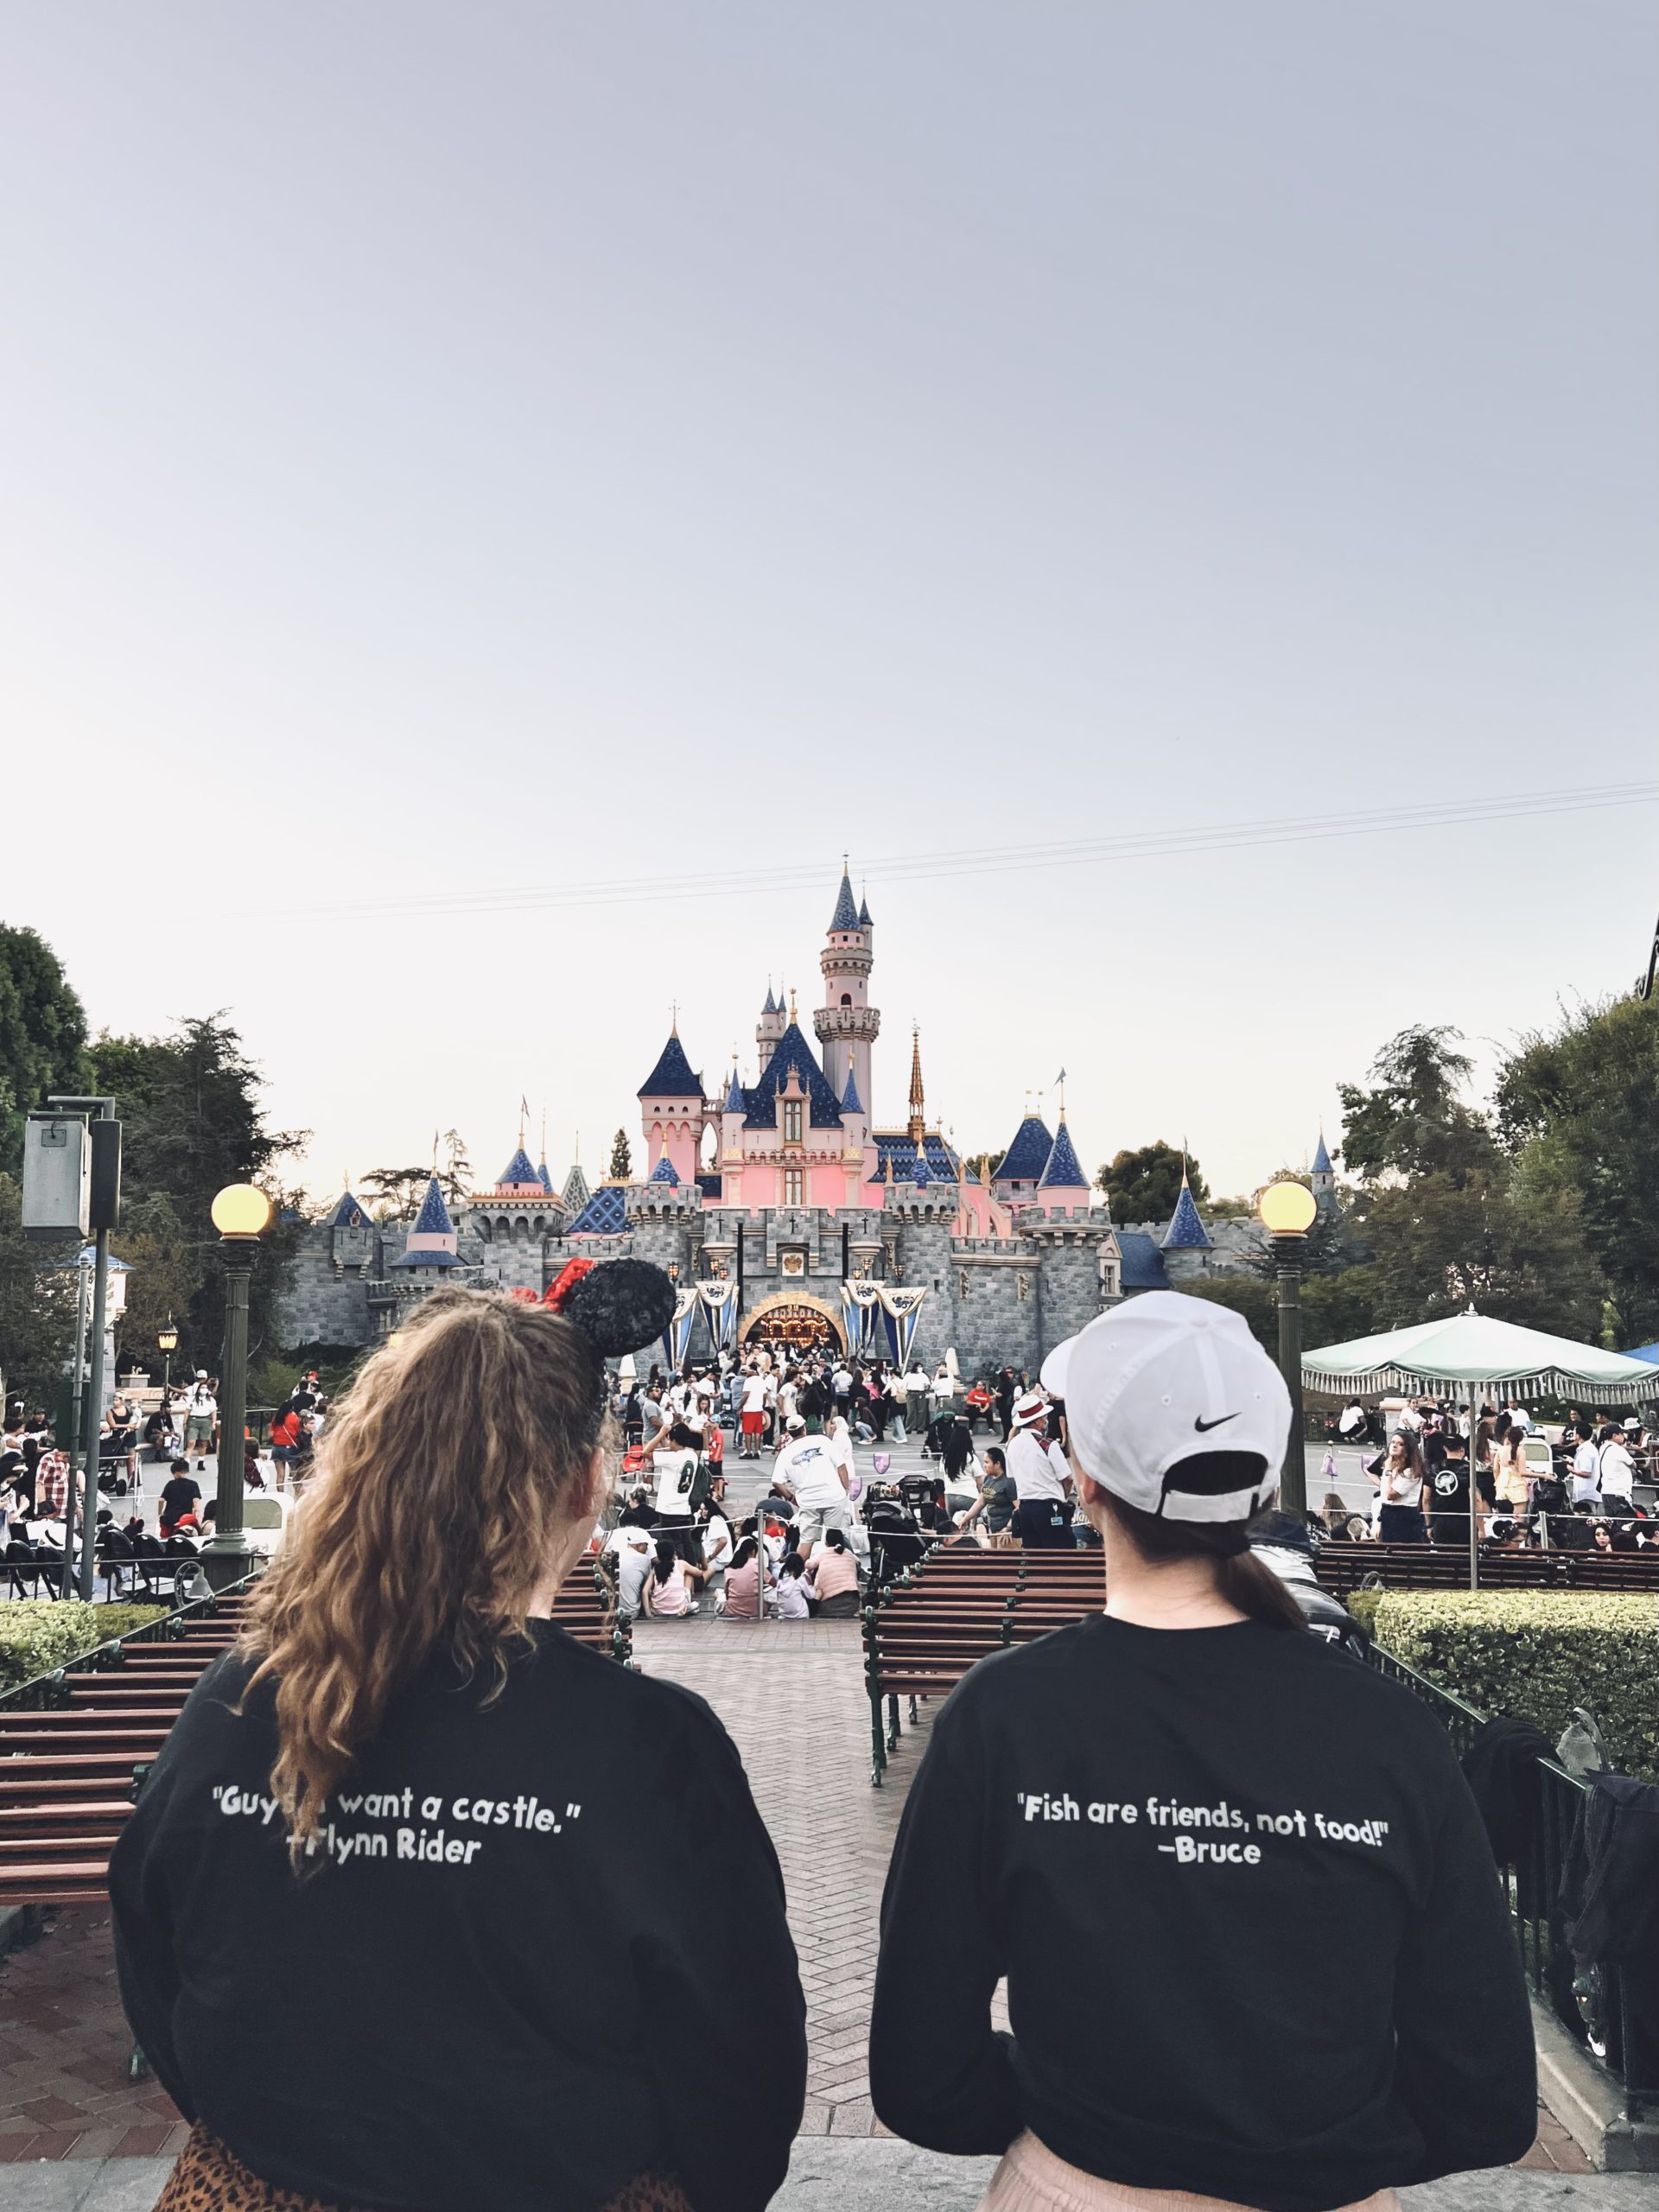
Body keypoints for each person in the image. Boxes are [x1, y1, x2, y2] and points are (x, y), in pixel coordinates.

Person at [110, 1274, 806, 2212]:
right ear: (585, 1484)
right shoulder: (649, 1748)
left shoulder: (241, 1698)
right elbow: (743, 2060)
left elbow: (156, 1962)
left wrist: (275, 2144)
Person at [868, 1292, 1536, 2209]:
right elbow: (1485, 2098)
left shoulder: (1004, 1718)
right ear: (1261, 1487)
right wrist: (1319, 2146)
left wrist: (1080, 2114)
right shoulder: (1389, 1732)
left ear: (1085, 1477)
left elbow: (919, 2073)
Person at [772, 1414, 851, 1553]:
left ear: (789, 1432)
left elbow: (776, 1482)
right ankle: (834, 1569)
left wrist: (791, 1497)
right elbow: (841, 1466)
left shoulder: (785, 1453)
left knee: (806, 1541)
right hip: (833, 1497)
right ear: (804, 1428)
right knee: (834, 1538)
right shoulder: (822, 1440)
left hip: (808, 1501)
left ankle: (799, 1572)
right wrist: (845, 1489)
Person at [1007, 1391, 1071, 1548]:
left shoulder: (1011, 1445)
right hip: (1049, 1505)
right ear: (1036, 1421)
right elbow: (1068, 1478)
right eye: (1043, 1417)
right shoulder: (1049, 1445)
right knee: (1063, 1552)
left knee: (1034, 1555)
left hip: (1025, 1508)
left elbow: (1012, 1478)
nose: (1045, 1419)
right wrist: (1064, 1498)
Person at [1368, 1433, 1427, 1543]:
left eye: (1401, 1444)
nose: (1394, 1446)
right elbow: (1384, 1494)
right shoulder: (1390, 1465)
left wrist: (1388, 1471)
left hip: (1403, 1515)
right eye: (1393, 1442)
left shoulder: (1411, 1471)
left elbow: (1391, 1495)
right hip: (1387, 1512)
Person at [956, 1444, 1017, 1547]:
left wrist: (1008, 1528)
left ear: (997, 1464)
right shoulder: (988, 1478)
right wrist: (965, 1519)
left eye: (987, 1462)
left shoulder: (1008, 1482)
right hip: (993, 1529)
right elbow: (980, 1502)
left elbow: (1018, 1508)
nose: (984, 1465)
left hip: (1006, 1532)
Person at [804, 1527, 861, 1617]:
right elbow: (858, 1562)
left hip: (826, 1608)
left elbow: (808, 1565)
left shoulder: (823, 1554)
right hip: (851, 1606)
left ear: (826, 1542)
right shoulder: (849, 1554)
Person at [642, 1537, 703, 1618]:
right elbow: (699, 1573)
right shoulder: (681, 1564)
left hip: (658, 1612)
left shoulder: (655, 1570)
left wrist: (648, 1614)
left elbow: (644, 1591)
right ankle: (686, 1603)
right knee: (689, 1574)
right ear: (674, 1553)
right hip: (680, 1611)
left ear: (658, 1555)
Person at [720, 1535, 766, 1619]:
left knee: (718, 1593)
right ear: (753, 1551)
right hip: (756, 1610)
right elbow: (773, 1582)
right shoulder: (756, 1563)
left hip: (733, 1610)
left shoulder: (729, 1568)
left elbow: (727, 1593)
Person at [157, 1459, 203, 1540]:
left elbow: (161, 1500)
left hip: (170, 1518)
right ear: (185, 1471)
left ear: (175, 1473)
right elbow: (196, 1502)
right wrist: (198, 1517)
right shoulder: (193, 1484)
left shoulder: (170, 1484)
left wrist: (160, 1514)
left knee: (167, 1539)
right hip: (186, 1520)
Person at [1596, 1421, 1636, 1510]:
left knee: (1611, 1520)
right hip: (1619, 1492)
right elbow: (1633, 1464)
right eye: (1621, 1434)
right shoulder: (1618, 1449)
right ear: (1615, 1436)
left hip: (1606, 1491)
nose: (1624, 1437)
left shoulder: (1603, 1447)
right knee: (1623, 1521)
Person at [182, 1373, 217, 1471]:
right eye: (202, 1387)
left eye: (206, 1387)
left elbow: (213, 1411)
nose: (204, 1389)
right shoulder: (193, 1399)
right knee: (191, 1442)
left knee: (203, 1443)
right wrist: (185, 1422)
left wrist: (213, 1422)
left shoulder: (211, 1400)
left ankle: (201, 1462)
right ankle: (187, 1462)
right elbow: (187, 1410)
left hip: (205, 1420)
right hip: (194, 1420)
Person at [773, 1551, 811, 1619]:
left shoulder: (780, 1580)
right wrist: (813, 1588)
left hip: (784, 1615)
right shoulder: (800, 1579)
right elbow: (810, 1595)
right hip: (801, 1615)